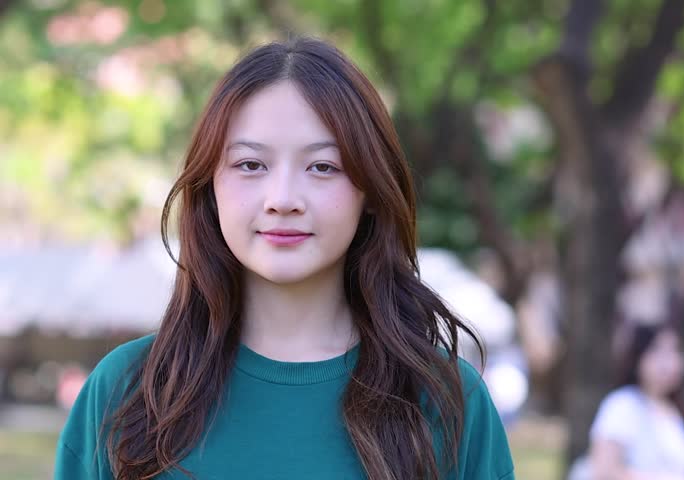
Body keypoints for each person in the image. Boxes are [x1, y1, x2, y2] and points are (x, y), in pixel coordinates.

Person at [54, 37, 515, 480]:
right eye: (251, 165)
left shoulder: (447, 401)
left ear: (371, 191)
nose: (282, 199)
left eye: (322, 167)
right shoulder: (126, 392)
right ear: (209, 188)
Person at [571, 322, 684, 480]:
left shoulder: (676, 411)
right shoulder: (623, 405)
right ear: (638, 358)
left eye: (674, 352)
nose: (669, 362)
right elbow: (604, 471)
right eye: (658, 352)